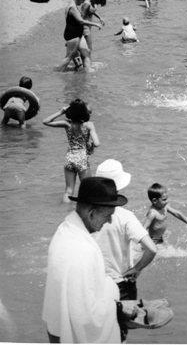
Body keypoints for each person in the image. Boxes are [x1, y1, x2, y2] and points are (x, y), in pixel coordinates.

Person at [42, 177, 127, 344]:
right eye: (108, 215)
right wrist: (114, 294)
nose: (109, 221)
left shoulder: (65, 231)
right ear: (91, 213)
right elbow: (85, 319)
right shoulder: (82, 250)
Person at [93, 160, 158, 302]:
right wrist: (137, 269)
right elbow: (152, 249)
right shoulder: (125, 217)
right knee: (122, 323)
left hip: (93, 284)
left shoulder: (88, 215)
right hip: (121, 285)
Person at [43, 99, 100, 202]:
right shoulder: (89, 125)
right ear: (84, 112)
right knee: (87, 190)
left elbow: (45, 121)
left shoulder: (67, 124)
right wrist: (90, 144)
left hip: (69, 159)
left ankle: (64, 213)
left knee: (68, 191)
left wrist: (60, 112)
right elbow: (97, 143)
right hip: (82, 160)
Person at [57, 0, 101, 72]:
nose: (83, 2)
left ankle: (87, 71)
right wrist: (95, 24)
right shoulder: (72, 7)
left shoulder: (73, 5)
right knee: (69, 56)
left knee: (86, 52)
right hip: (73, 34)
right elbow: (81, 21)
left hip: (78, 34)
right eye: (83, 0)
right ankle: (57, 72)